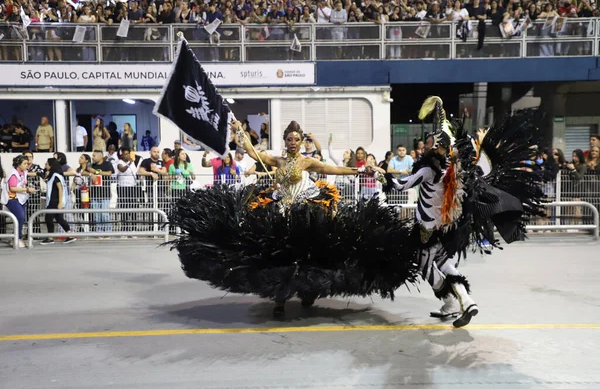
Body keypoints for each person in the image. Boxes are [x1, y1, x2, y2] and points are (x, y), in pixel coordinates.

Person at [167, 120, 422, 318]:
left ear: (301, 141)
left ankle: (309, 291)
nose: (292, 142)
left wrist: (361, 169)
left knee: (310, 254)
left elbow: (332, 169)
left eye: (296, 139)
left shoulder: (306, 162)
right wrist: (240, 134)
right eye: (288, 139)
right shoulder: (276, 159)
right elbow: (254, 155)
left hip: (306, 212)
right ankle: (280, 299)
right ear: (284, 140)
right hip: (281, 212)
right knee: (281, 256)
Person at [384, 96, 544, 327]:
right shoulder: (451, 166)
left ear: (436, 147)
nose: (425, 144)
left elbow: (401, 185)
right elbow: (444, 132)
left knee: (426, 265)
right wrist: (440, 110)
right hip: (446, 225)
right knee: (443, 262)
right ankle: (467, 301)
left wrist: (382, 176)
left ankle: (449, 300)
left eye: (429, 142)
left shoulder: (428, 169)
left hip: (426, 228)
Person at [2, 155, 38, 248]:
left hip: (20, 198)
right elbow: (12, 188)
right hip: (12, 199)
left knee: (20, 219)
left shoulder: (24, 172)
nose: (27, 165)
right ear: (18, 164)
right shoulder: (13, 174)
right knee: (20, 217)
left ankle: (15, 238)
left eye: (27, 163)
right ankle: (17, 238)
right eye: (25, 163)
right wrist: (27, 190)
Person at [40, 158, 77, 245]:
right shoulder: (55, 175)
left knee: (48, 218)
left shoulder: (56, 175)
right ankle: (69, 235)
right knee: (59, 218)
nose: (45, 165)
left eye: (47, 163)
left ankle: (50, 237)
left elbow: (60, 189)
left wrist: (60, 202)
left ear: (51, 165)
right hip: (54, 200)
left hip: (54, 201)